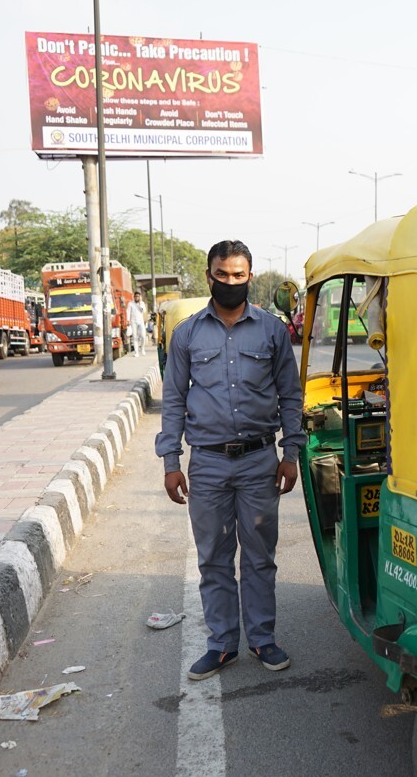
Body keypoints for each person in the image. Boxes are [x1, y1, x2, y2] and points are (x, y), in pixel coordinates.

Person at [155, 240, 306, 680]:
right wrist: (170, 462)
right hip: (208, 464)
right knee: (214, 558)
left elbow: (290, 396)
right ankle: (222, 644)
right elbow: (173, 401)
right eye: (222, 275)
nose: (230, 282)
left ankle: (262, 639)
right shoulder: (186, 335)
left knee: (260, 556)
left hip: (260, 460)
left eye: (239, 275)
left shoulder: (272, 332)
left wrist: (290, 452)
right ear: (209, 277)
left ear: (250, 277)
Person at [126, 291, 147, 357]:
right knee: (135, 337)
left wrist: (140, 303)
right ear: (134, 297)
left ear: (139, 297)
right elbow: (128, 311)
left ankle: (142, 348)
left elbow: (144, 311)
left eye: (138, 296)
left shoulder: (142, 303)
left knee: (143, 336)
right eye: (136, 296)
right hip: (133, 321)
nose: (137, 298)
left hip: (140, 321)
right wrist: (128, 320)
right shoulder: (130, 303)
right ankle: (136, 352)